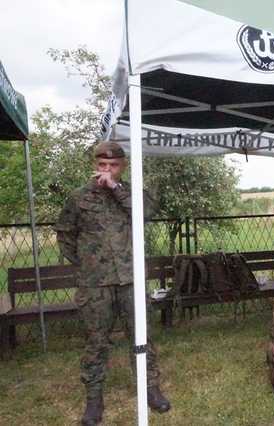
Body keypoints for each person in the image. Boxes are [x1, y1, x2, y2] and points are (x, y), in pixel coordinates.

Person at [55, 141, 170, 425]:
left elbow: (146, 213)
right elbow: (65, 235)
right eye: (102, 165)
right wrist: (88, 265)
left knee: (142, 337)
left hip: (130, 279)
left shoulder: (132, 193)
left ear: (123, 167)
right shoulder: (79, 198)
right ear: (95, 164)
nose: (107, 170)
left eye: (113, 165)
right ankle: (94, 400)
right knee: (96, 342)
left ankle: (150, 389)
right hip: (96, 285)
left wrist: (116, 189)